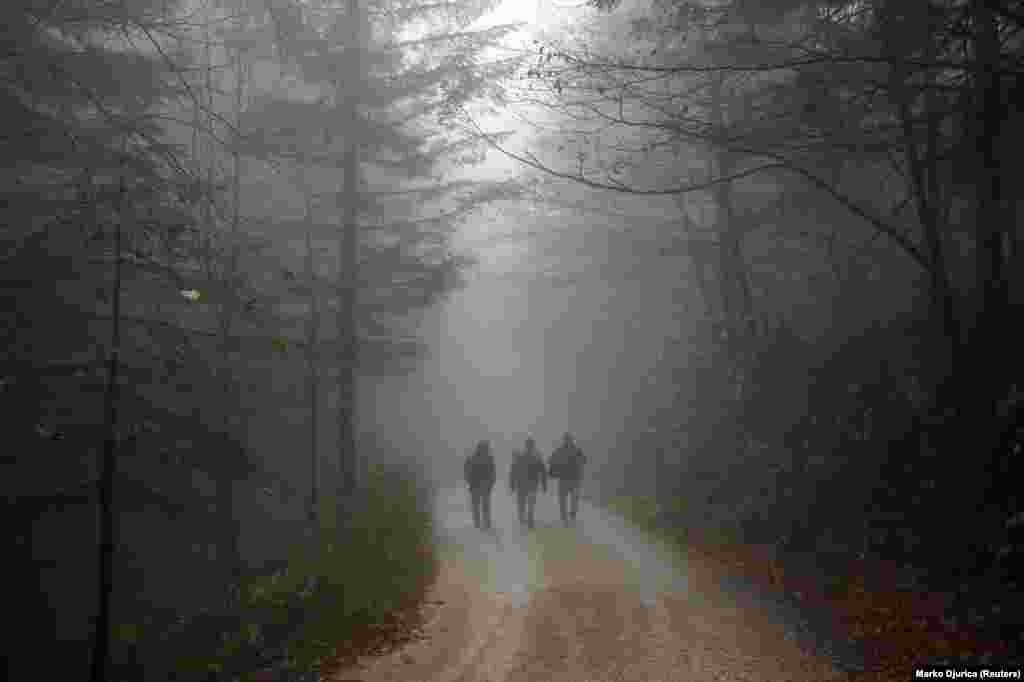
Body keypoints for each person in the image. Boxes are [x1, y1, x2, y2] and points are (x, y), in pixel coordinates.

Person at [548, 432, 586, 526]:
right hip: (564, 479)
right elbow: (551, 460)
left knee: (574, 499)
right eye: (566, 439)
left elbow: (584, 460)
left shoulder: (577, 450)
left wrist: (579, 461)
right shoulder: (560, 450)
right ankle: (564, 518)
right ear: (564, 440)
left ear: (571, 440)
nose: (567, 441)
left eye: (569, 439)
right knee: (563, 500)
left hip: (574, 479)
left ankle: (572, 515)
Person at [509, 437, 547, 529]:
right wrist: (544, 484)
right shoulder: (537, 456)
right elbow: (542, 470)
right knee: (530, 503)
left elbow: (514, 470)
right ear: (532, 445)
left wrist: (512, 484)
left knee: (521, 502)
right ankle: (529, 519)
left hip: (521, 483)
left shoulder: (519, 455)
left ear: (526, 445)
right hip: (532, 483)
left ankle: (522, 517)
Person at [464, 440, 496, 530]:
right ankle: (485, 522)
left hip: (476, 485)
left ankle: (478, 522)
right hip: (483, 485)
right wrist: (491, 482)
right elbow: (492, 472)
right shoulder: (489, 458)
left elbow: (466, 471)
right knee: (484, 505)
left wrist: (469, 481)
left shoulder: (471, 458)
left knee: (477, 505)